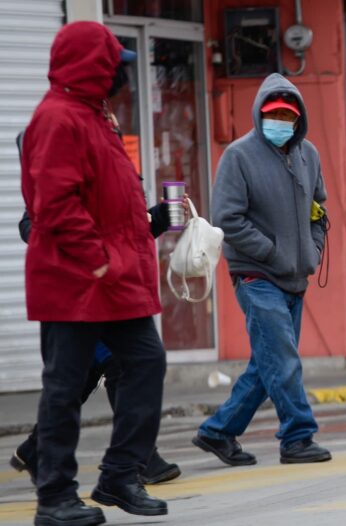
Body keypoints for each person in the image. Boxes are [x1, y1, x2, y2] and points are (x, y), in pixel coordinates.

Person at [22, 21, 169, 525]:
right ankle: (55, 498)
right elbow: (54, 203)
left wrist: (141, 237)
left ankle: (119, 476)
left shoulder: (95, 117)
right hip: (75, 279)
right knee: (65, 388)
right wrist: (96, 257)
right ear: (92, 65)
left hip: (114, 280)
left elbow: (114, 201)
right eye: (114, 63)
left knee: (146, 362)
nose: (119, 73)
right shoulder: (58, 118)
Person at [192, 73, 332, 466]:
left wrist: (313, 250)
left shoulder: (309, 155)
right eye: (273, 114)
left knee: (267, 363)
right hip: (257, 276)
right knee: (283, 360)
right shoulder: (238, 156)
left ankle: (218, 431)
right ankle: (298, 437)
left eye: (287, 115)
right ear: (259, 114)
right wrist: (271, 252)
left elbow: (318, 210)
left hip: (295, 277)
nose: (280, 122)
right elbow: (228, 219)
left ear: (298, 118)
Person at [11, 201, 182, 487]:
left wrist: (159, 217)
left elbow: (127, 233)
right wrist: (82, 247)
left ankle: (35, 451)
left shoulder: (119, 177)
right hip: (79, 293)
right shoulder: (66, 181)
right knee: (119, 366)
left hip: (114, 289)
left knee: (85, 378)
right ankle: (137, 460)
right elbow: (30, 225)